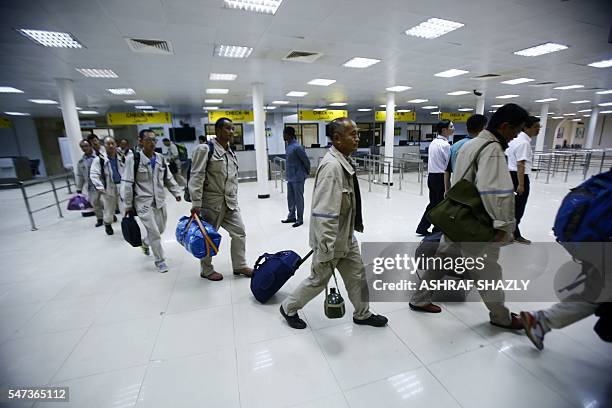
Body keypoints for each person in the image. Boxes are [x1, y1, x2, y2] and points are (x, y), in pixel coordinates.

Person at [409, 104, 529, 330]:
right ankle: (501, 317)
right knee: (489, 271)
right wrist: (503, 226)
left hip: (458, 217)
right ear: (504, 127)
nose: (515, 137)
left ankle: (419, 298)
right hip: (477, 223)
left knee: (442, 258)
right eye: (516, 130)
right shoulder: (492, 150)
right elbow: (495, 192)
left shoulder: (468, 145)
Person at [280, 117, 388, 329]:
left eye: (357, 133)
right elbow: (325, 213)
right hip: (331, 241)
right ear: (337, 139)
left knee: (357, 276)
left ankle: (362, 314)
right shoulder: (332, 167)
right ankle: (288, 307)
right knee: (318, 281)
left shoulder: (343, 160)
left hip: (346, 236)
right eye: (353, 134)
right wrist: (327, 246)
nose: (358, 138)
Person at [188, 118, 253, 281]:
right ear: (217, 130)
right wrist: (196, 203)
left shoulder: (230, 151)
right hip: (211, 203)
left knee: (240, 232)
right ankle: (206, 270)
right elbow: (196, 176)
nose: (231, 132)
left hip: (230, 203)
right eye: (227, 129)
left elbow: (232, 178)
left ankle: (239, 265)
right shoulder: (205, 149)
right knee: (207, 237)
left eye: (232, 129)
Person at [123, 129, 183, 273]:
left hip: (159, 200)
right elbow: (127, 182)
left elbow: (168, 177)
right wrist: (127, 204)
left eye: (154, 140)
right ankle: (160, 261)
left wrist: (176, 192)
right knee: (155, 232)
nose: (152, 143)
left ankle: (145, 242)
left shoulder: (160, 158)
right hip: (143, 202)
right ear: (141, 141)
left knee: (160, 229)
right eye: (148, 139)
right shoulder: (134, 159)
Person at [506, 116, 540, 244]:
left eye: (539, 127)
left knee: (511, 207)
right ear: (526, 127)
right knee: (518, 208)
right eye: (535, 127)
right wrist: (521, 184)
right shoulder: (524, 142)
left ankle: (512, 232)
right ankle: (514, 234)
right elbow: (521, 164)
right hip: (519, 177)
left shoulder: (515, 140)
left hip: (510, 174)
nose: (538, 130)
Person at [416, 120, 453, 236]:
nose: (453, 129)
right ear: (444, 130)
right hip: (440, 176)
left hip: (432, 176)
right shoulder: (445, 145)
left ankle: (423, 227)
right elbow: (448, 164)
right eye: (451, 126)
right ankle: (436, 230)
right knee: (441, 205)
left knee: (433, 204)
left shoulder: (433, 143)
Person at [90, 137, 122, 235]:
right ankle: (108, 224)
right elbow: (94, 174)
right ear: (104, 145)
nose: (111, 146)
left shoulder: (122, 157)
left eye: (112, 143)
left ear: (116, 144)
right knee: (109, 210)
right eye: (108, 144)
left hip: (122, 186)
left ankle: (127, 225)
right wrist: (99, 187)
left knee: (125, 208)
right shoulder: (99, 160)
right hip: (108, 187)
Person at [281, 126, 310, 228]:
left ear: (288, 134)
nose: (283, 135)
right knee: (290, 198)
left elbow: (306, 161)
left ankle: (300, 219)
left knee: (299, 199)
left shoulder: (297, 147)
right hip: (290, 177)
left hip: (298, 178)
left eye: (284, 133)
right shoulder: (288, 146)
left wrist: (306, 173)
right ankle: (291, 216)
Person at [444, 114, 487, 183]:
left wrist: (447, 190)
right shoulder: (484, 147)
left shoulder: (454, 146)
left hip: (457, 186)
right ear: (484, 129)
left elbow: (447, 170)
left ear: (467, 128)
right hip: (474, 189)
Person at [75, 139, 104, 227]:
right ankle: (100, 218)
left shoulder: (100, 156)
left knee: (106, 202)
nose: (84, 148)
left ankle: (109, 216)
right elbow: (80, 176)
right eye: (82, 147)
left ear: (91, 146)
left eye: (86, 146)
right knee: (95, 203)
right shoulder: (81, 162)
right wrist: (79, 188)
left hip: (103, 183)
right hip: (91, 186)